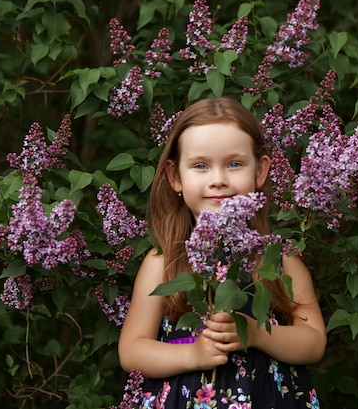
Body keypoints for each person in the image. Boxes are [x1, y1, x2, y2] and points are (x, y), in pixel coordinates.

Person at [118, 97, 326, 408]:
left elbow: (313, 342)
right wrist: (194, 353)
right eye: (200, 166)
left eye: (234, 164)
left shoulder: (278, 259)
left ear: (261, 171)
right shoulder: (165, 262)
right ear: (176, 177)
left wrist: (256, 333)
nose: (218, 179)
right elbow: (132, 351)